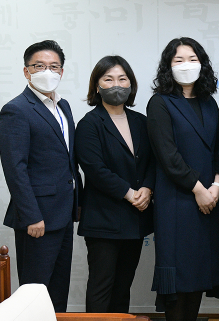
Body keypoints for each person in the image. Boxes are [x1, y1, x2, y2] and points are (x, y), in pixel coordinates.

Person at [147, 37, 219, 321]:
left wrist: (216, 186)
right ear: (168, 66)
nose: (186, 65)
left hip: (210, 198)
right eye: (179, 60)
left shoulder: (209, 103)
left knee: (199, 274)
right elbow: (168, 156)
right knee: (178, 279)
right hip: (178, 200)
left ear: (202, 64)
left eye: (192, 59)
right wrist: (199, 190)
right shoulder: (160, 103)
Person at [0, 40, 80, 312]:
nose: (48, 71)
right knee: (35, 294)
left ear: (62, 71)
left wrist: (77, 202)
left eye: (54, 66)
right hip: (38, 219)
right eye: (39, 66)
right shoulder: (16, 109)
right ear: (26, 71)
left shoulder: (63, 106)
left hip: (64, 213)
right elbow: (15, 168)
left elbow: (68, 160)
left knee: (58, 291)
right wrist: (32, 216)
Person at [75, 56, 154, 313]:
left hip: (135, 219)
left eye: (122, 79)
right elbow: (95, 170)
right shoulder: (89, 124)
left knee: (123, 287)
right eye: (108, 79)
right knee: (102, 286)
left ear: (131, 84)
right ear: (97, 87)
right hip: (103, 221)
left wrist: (148, 188)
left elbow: (153, 162)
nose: (116, 85)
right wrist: (130, 194)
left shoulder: (142, 122)